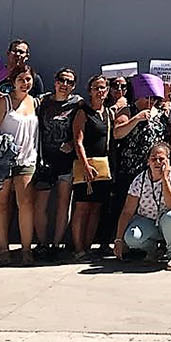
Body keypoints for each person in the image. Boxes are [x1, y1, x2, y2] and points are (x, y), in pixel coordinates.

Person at [0, 64, 41, 265]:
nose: (25, 83)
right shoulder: (4, 102)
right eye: (21, 80)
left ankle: (26, 249)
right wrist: (2, 143)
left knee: (25, 204)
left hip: (27, 159)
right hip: (3, 160)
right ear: (13, 82)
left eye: (28, 79)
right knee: (0, 204)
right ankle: (3, 248)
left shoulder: (35, 103)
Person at [110, 74, 171, 252]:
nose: (150, 102)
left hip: (155, 170)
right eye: (147, 97)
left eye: (154, 98)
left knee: (153, 206)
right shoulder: (127, 110)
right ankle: (124, 243)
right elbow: (117, 133)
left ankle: (150, 243)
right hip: (131, 169)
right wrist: (136, 119)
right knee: (128, 207)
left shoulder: (160, 114)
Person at [113, 142, 171, 271]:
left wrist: (165, 179)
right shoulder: (140, 179)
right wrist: (119, 240)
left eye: (162, 159)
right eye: (153, 159)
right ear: (148, 161)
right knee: (132, 238)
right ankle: (153, 249)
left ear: (169, 160)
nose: (157, 162)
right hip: (149, 221)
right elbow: (127, 211)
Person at [32, 68, 82, 260]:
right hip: (45, 161)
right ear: (55, 81)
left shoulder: (77, 103)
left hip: (66, 163)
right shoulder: (43, 102)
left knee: (63, 204)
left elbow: (84, 126)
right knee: (40, 205)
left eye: (69, 82)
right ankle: (42, 243)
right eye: (62, 80)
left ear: (74, 86)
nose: (65, 84)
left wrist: (72, 143)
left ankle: (57, 244)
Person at [70, 74, 114, 260]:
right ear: (90, 91)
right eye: (96, 88)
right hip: (85, 165)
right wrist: (85, 165)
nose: (100, 91)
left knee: (96, 207)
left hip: (103, 167)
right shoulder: (83, 112)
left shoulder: (108, 113)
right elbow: (77, 141)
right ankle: (78, 248)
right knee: (81, 207)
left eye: (103, 88)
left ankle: (88, 247)